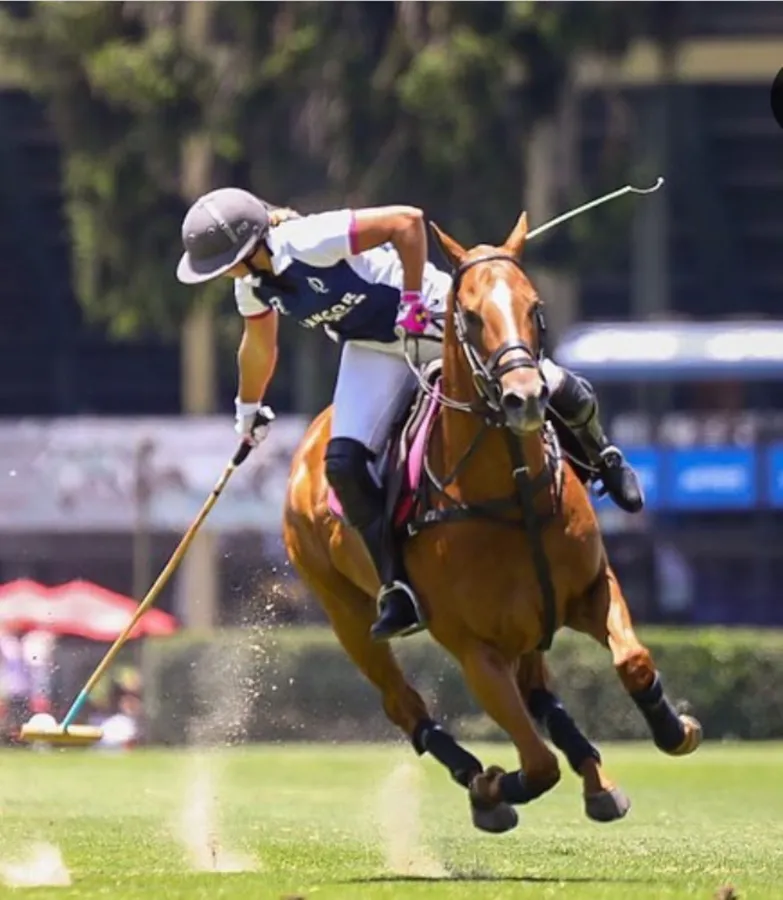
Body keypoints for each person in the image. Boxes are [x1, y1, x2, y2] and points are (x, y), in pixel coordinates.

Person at [176, 188, 644, 641]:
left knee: (556, 387)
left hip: (435, 316)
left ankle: (604, 459)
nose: (220, 274)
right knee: (343, 464)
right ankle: (397, 585)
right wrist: (248, 408)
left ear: (249, 245)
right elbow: (258, 347)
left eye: (219, 263)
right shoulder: (251, 288)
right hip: (374, 348)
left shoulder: (309, 239)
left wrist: (412, 300)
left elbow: (408, 222)